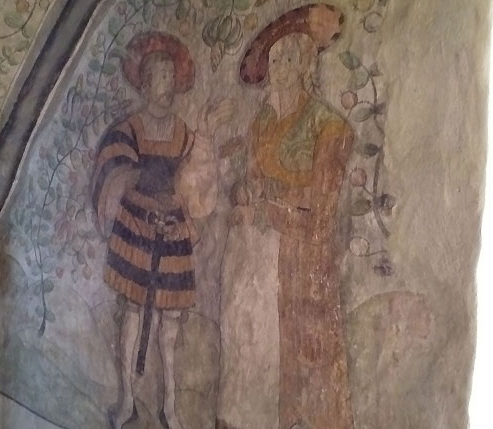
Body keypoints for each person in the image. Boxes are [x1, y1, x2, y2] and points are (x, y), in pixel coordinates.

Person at [217, 4, 355, 429]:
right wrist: (244, 193)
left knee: (305, 364)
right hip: (255, 260)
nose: (278, 69)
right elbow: (247, 181)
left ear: (305, 64)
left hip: (300, 264)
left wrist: (267, 203)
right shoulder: (262, 122)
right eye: (274, 60)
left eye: (288, 59)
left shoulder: (329, 127)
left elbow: (322, 208)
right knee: (250, 354)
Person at [92, 31, 235, 429]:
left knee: (170, 321)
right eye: (160, 77)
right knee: (133, 313)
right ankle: (127, 400)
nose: (167, 84)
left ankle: (169, 406)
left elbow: (194, 178)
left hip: (172, 233)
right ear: (145, 82)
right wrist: (141, 182)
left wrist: (206, 140)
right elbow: (114, 173)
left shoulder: (183, 132)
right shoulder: (129, 129)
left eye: (172, 77)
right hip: (135, 229)